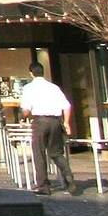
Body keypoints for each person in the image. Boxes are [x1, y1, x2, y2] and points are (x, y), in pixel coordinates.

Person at [21, 61, 77, 195]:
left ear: (31, 73)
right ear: (42, 72)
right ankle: (68, 175)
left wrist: (24, 116)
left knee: (39, 153)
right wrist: (67, 123)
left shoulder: (29, 88)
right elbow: (67, 106)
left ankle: (43, 186)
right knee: (56, 153)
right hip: (56, 121)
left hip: (40, 122)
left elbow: (26, 110)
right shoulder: (54, 87)